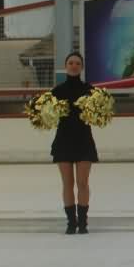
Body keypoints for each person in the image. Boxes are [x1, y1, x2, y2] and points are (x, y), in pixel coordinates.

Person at [50, 52, 98, 234]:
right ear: (66, 66)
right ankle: (71, 222)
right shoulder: (57, 91)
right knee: (67, 184)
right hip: (63, 140)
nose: (74, 65)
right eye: (70, 63)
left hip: (84, 139)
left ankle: (83, 222)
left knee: (83, 183)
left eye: (77, 63)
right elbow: (47, 114)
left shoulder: (90, 90)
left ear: (82, 67)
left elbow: (99, 114)